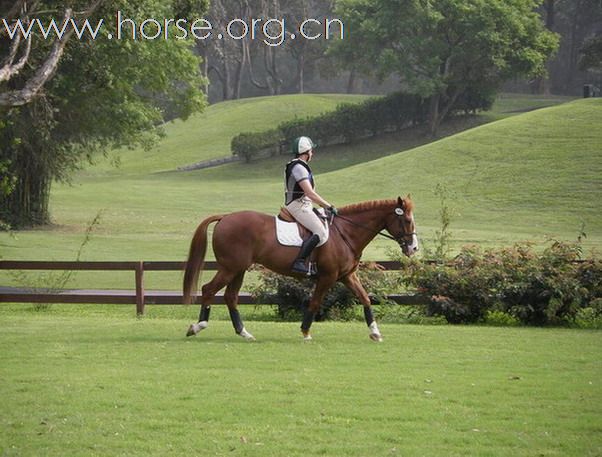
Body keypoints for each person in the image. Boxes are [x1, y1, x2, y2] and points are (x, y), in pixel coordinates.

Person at [284, 136, 338, 275]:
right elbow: (310, 193)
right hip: (298, 205)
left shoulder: (300, 166)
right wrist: (328, 206)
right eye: (311, 151)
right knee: (320, 232)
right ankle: (299, 262)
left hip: (304, 205)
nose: (312, 153)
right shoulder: (298, 168)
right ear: (306, 151)